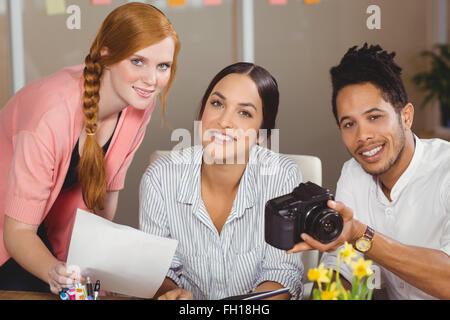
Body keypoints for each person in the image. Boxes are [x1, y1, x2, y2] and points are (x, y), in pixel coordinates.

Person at [0, 3, 180, 295]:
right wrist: (55, 273)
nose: (151, 79)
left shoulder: (137, 103)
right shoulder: (51, 115)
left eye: (163, 66)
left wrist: (95, 268)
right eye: (137, 61)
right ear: (106, 53)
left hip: (51, 227)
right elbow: (17, 233)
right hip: (11, 234)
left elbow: (104, 199)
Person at [288, 44, 450, 300]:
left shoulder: (446, 169)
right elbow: (342, 268)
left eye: (374, 117)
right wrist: (328, 288)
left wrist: (359, 234)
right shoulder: (353, 174)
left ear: (406, 117)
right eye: (349, 124)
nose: (363, 136)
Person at [139, 62, 304, 300]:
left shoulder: (281, 175)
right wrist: (171, 293)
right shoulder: (161, 177)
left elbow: (281, 271)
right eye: (217, 104)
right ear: (202, 112)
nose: (224, 121)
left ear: (260, 133)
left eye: (244, 112)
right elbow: (158, 269)